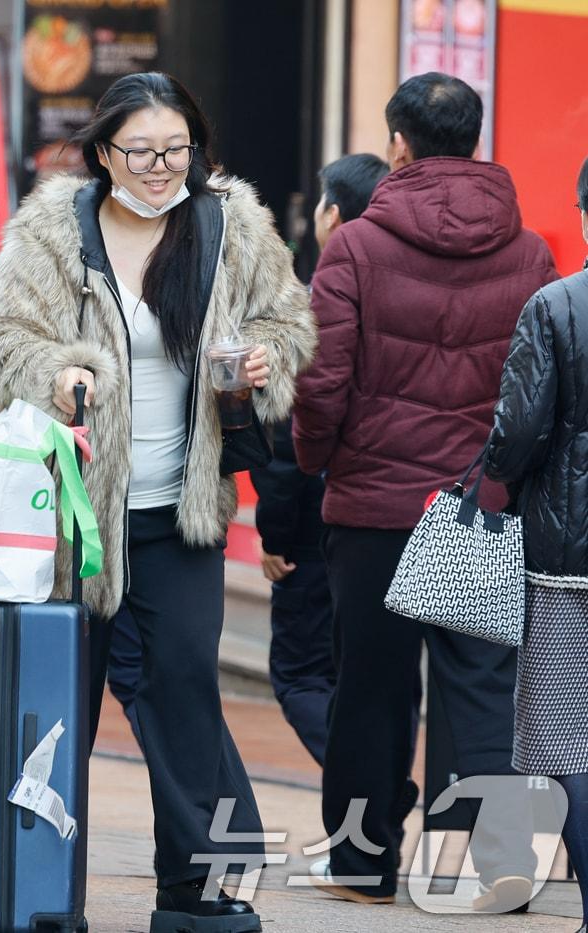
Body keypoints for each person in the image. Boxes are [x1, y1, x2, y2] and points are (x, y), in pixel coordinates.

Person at [0, 72, 315, 933]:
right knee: (57, 708)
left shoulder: (231, 224)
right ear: (103, 151)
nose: (161, 168)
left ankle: (191, 894)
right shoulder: (53, 229)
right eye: (140, 151)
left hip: (181, 513)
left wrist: (264, 359)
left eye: (176, 150)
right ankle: (38, 893)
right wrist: (60, 371)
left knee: (186, 686)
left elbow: (291, 323)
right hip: (70, 520)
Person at [292, 72, 557, 908]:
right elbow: (538, 392)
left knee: (370, 690)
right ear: (474, 140)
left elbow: (322, 383)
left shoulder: (355, 248)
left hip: (374, 509)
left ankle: (364, 865)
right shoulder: (532, 252)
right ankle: (508, 858)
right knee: (484, 685)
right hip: (481, 507)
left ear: (398, 144)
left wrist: (314, 461)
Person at [250, 153, 388, 766]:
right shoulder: (399, 296)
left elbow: (288, 437)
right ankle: (373, 787)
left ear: (332, 214)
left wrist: (274, 532)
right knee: (368, 674)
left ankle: (362, 781)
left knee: (302, 674)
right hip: (392, 516)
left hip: (315, 521)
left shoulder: (311, 305)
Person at [485, 155, 588, 932]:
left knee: (571, 740)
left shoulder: (557, 307)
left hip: (566, 565)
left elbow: (516, 434)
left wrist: (505, 480)